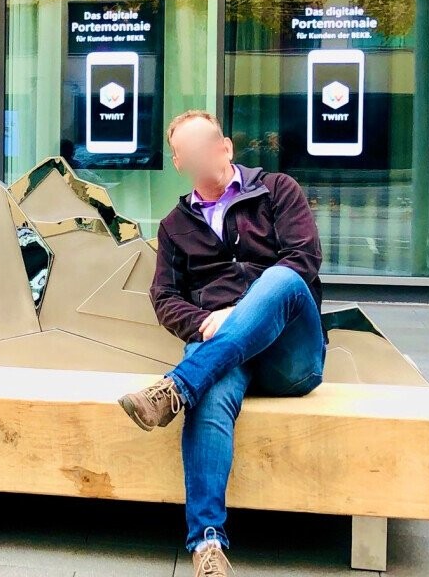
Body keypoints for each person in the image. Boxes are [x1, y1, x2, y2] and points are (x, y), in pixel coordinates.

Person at [118, 110, 325, 577]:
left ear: (226, 147)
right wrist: (206, 321)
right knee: (208, 393)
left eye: (205, 145)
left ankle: (175, 387)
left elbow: (304, 260)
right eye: (186, 152)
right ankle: (207, 545)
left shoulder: (277, 191)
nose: (198, 156)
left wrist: (238, 313)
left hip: (291, 357)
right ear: (177, 162)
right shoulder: (173, 226)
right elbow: (166, 299)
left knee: (280, 279)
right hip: (224, 357)